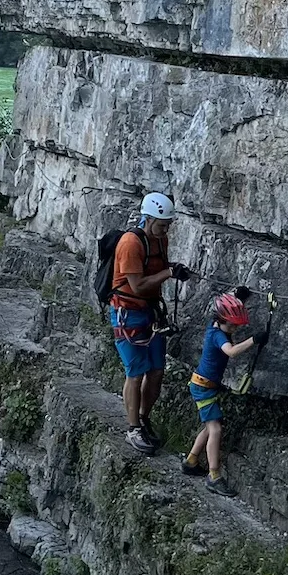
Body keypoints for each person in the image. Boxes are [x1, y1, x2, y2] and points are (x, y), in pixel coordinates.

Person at [110, 192, 192, 455]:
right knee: (135, 373)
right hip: (128, 313)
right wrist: (168, 273)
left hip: (151, 311)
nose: (166, 228)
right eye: (162, 224)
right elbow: (138, 284)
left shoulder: (159, 239)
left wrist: (173, 269)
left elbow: (158, 270)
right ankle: (133, 429)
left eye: (168, 224)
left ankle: (144, 418)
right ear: (148, 219)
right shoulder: (130, 244)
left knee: (156, 371)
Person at [181, 290, 264, 495]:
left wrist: (238, 296)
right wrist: (254, 339)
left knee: (210, 428)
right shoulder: (218, 335)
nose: (235, 329)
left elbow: (224, 302)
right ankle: (214, 476)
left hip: (203, 385)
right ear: (222, 319)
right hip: (203, 388)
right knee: (216, 429)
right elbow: (231, 352)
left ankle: (191, 461)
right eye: (232, 325)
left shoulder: (216, 325)